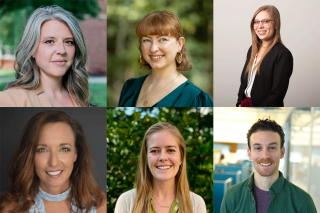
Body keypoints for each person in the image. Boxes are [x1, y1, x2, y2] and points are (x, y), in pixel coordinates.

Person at [0, 111, 106, 213]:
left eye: (64, 149)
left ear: (75, 154)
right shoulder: (10, 209)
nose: (53, 163)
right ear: (30, 156)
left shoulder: (100, 204)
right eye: (42, 150)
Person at [0, 6, 91, 107]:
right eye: (49, 41)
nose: (62, 50)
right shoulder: (8, 100)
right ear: (32, 50)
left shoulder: (80, 97)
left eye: (69, 42)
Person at [118, 11, 213, 107]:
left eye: (163, 39)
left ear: (179, 44)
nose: (153, 48)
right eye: (147, 40)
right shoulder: (129, 87)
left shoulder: (197, 99)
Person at [220, 118, 317, 213]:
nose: (265, 155)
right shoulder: (231, 196)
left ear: (282, 152)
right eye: (258, 148)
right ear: (249, 153)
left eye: (272, 147)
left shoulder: (303, 202)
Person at [114, 122, 206, 213]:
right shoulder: (126, 201)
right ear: (146, 158)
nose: (163, 158)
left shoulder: (196, 203)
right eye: (154, 151)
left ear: (181, 157)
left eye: (170, 150)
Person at [236, 5, 293, 107]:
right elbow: (243, 84)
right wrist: (239, 103)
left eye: (265, 21)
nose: (260, 26)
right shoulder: (252, 49)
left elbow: (276, 95)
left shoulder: (283, 54)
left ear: (276, 24)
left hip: (264, 110)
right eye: (256, 21)